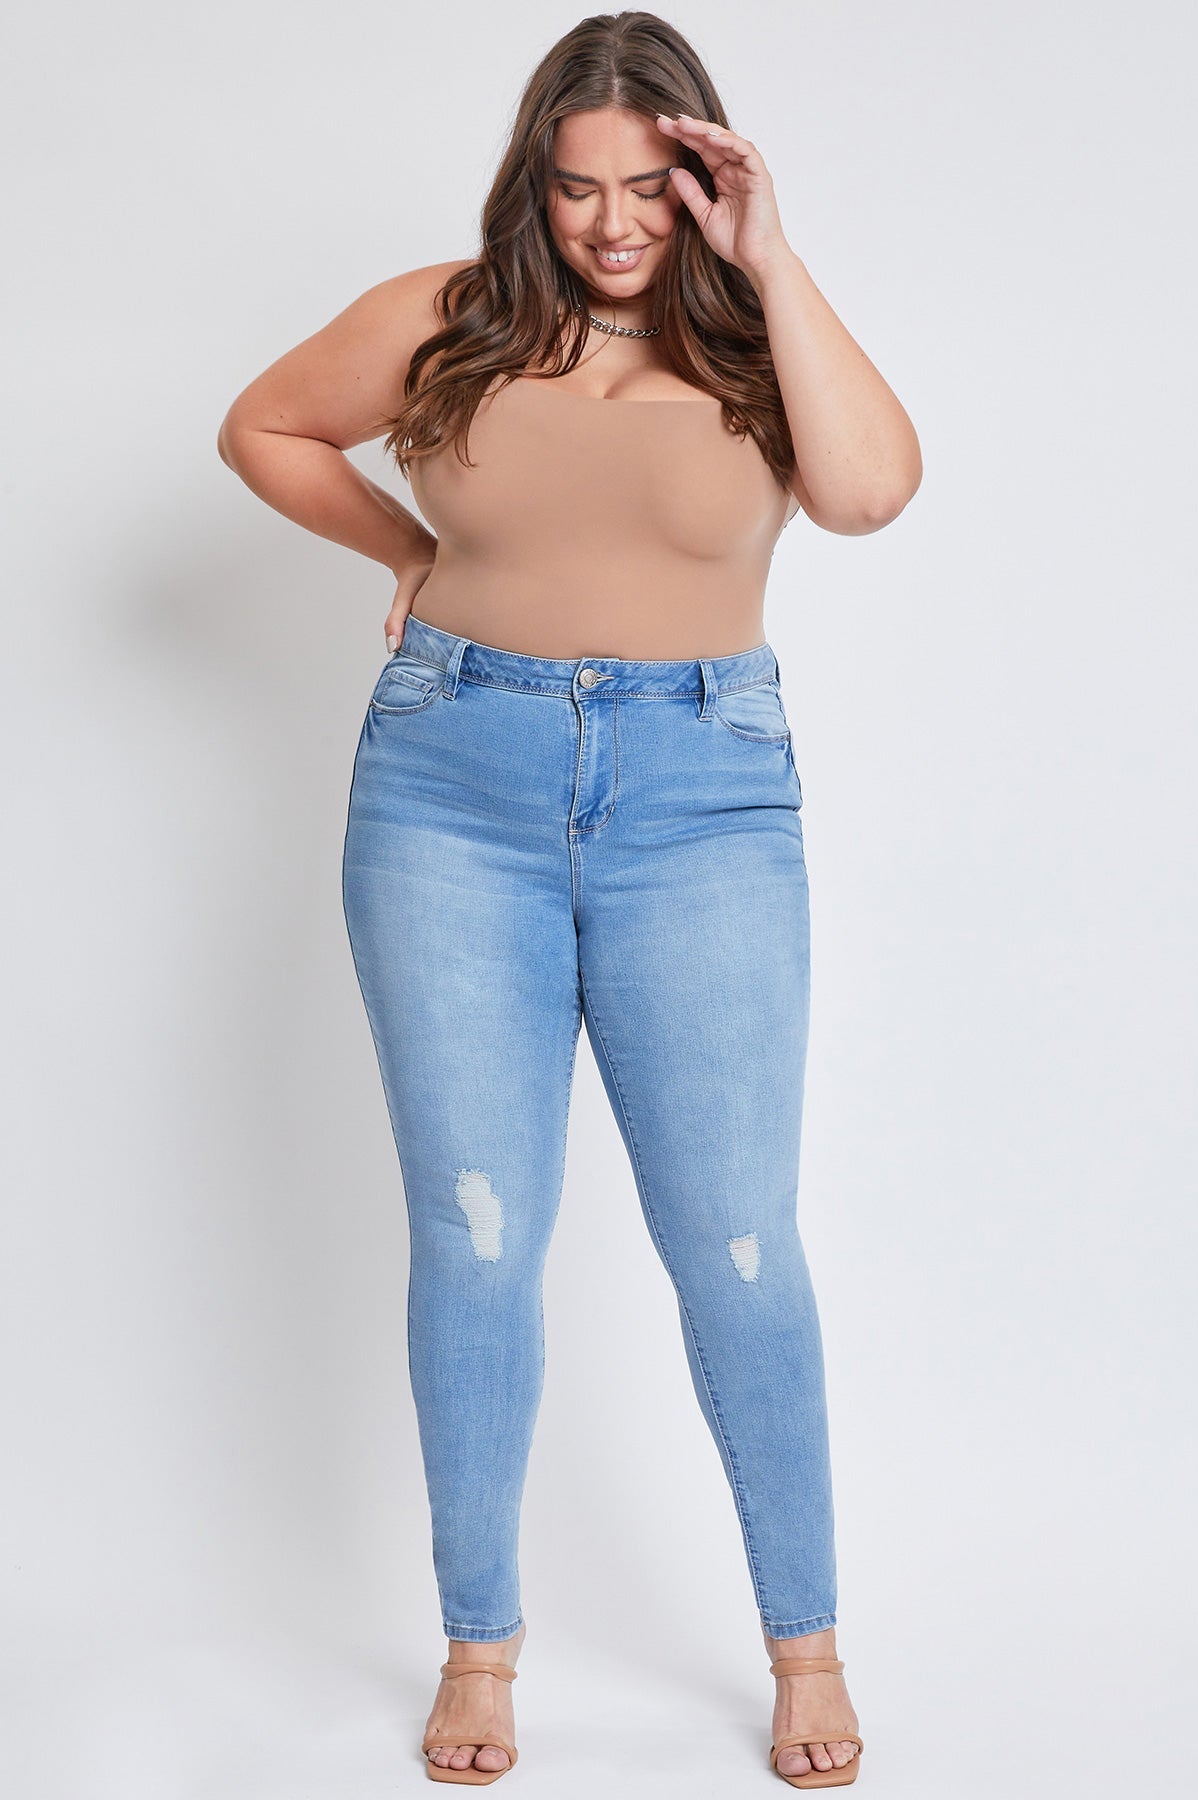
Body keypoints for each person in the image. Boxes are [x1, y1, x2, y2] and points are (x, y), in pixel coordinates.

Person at [218, 11, 920, 1788]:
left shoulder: (760, 338)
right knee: (475, 1235)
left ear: (705, 180)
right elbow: (266, 427)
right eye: (580, 186)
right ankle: (481, 1648)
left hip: (703, 801)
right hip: (451, 789)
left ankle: (807, 1645)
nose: (614, 224)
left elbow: (867, 494)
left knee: (739, 1242)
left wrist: (772, 253)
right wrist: (409, 550)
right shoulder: (448, 318)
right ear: (534, 178)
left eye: (651, 189)